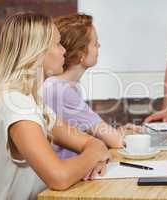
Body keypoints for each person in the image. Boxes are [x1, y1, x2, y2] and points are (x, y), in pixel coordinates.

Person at [0, 13, 111, 200]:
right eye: (58, 44)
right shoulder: (15, 103)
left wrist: (94, 156)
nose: (64, 51)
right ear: (37, 52)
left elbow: (92, 142)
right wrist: (93, 157)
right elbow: (59, 177)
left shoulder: (32, 101)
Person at [42, 13, 140, 160]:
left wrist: (118, 131)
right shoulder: (59, 90)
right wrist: (123, 135)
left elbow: (94, 133)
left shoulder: (64, 86)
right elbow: (116, 141)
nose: (99, 46)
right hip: (68, 175)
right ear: (81, 53)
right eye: (95, 43)